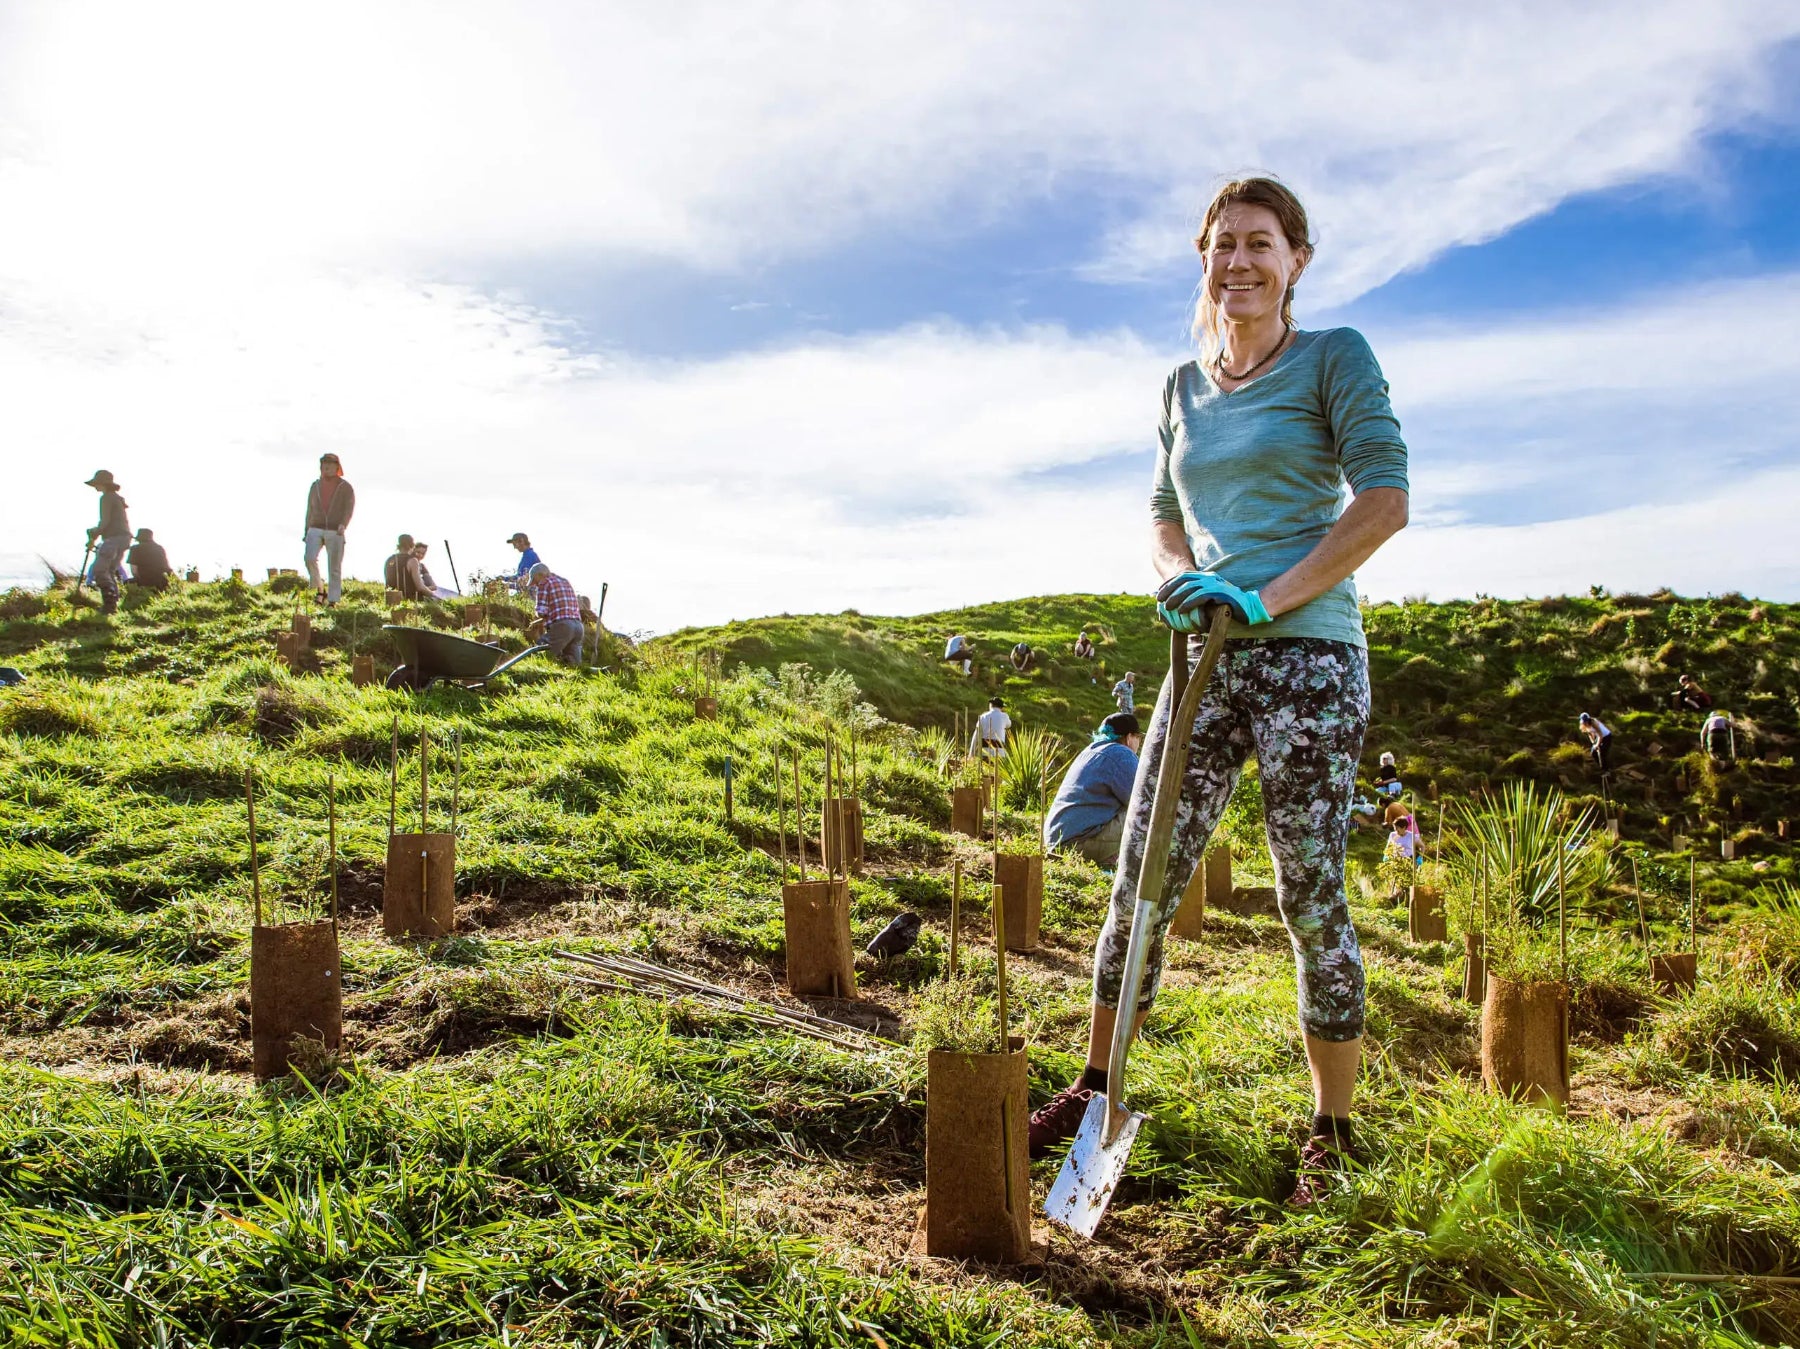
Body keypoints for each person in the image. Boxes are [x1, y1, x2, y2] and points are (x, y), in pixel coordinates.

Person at [1026, 177, 1409, 1208]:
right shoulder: (1179, 386)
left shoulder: (1337, 358)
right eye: (1222, 244)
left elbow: (1384, 500)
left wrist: (1265, 595)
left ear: (1296, 260)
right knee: (1142, 872)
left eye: (1260, 243)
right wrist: (1178, 581)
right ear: (1204, 259)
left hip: (1309, 661)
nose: (1238, 260)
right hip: (1203, 656)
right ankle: (1094, 1084)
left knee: (1306, 888)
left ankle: (1335, 1127)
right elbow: (1161, 511)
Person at [1044, 713, 1143, 866]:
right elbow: (1142, 800)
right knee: (1147, 811)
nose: (1139, 743)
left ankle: (1111, 857)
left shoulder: (1089, 751)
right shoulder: (1122, 754)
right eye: (1138, 738)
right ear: (1129, 738)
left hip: (1055, 842)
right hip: (1078, 845)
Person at [303, 453, 355, 605]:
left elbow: (349, 508)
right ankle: (320, 589)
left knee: (334, 567)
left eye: (331, 464)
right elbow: (309, 509)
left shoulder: (345, 487)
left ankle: (333, 600)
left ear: (337, 467)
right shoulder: (315, 486)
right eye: (324, 464)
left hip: (335, 529)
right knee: (309, 558)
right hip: (315, 527)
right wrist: (306, 529)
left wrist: (343, 524)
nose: (327, 467)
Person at [83, 470, 132, 615]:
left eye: (96, 484)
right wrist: (96, 532)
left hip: (114, 538)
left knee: (99, 570)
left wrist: (95, 533)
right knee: (110, 570)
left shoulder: (106, 498)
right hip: (124, 538)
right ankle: (113, 606)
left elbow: (105, 521)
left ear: (102, 484)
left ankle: (109, 606)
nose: (95, 487)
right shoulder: (117, 498)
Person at [527, 562, 585, 666]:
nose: (535, 584)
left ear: (539, 575)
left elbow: (541, 611)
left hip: (564, 627)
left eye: (534, 580)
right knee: (574, 664)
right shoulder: (564, 581)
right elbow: (561, 607)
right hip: (578, 627)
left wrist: (538, 617)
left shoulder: (544, 582)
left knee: (541, 650)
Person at [969, 696, 1011, 764]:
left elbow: (976, 736)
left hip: (985, 752)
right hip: (999, 753)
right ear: (1001, 707)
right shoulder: (1004, 716)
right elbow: (1009, 725)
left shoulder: (983, 716)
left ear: (990, 705)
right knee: (997, 773)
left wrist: (971, 754)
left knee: (984, 773)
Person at [384, 534, 426, 600]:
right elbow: (420, 587)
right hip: (410, 600)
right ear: (412, 545)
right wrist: (435, 596)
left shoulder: (390, 559)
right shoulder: (412, 560)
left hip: (391, 599)